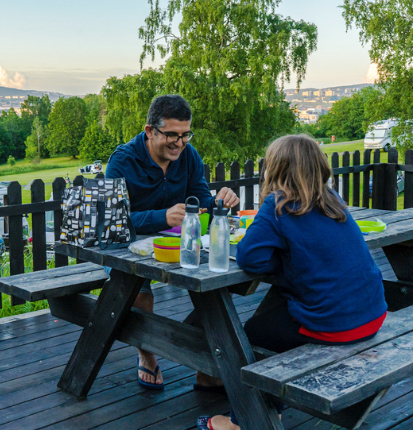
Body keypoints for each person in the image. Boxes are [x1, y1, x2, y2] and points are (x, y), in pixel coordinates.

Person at [197, 134, 387, 430]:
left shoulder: (278, 205)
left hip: (335, 325)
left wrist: (283, 259)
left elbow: (249, 258)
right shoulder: (333, 200)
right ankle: (267, 401)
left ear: (274, 169)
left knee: (250, 334)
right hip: (372, 315)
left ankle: (242, 420)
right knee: (280, 319)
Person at [105, 94, 240, 391]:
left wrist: (219, 201)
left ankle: (207, 364)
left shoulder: (189, 156)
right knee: (136, 288)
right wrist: (161, 217)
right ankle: (147, 353)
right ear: (150, 131)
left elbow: (201, 199)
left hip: (175, 243)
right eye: (171, 135)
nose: (179, 143)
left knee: (212, 282)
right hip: (126, 245)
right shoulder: (123, 161)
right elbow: (112, 222)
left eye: (185, 134)